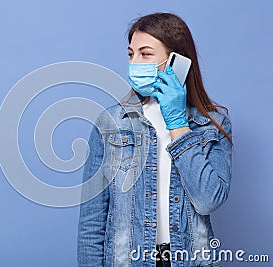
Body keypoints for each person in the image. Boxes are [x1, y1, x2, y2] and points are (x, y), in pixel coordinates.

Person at [77, 13, 233, 267]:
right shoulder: (111, 123)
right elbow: (92, 221)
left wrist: (177, 125)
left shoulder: (212, 125)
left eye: (145, 54)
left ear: (178, 61)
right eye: (131, 54)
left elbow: (208, 201)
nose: (135, 63)